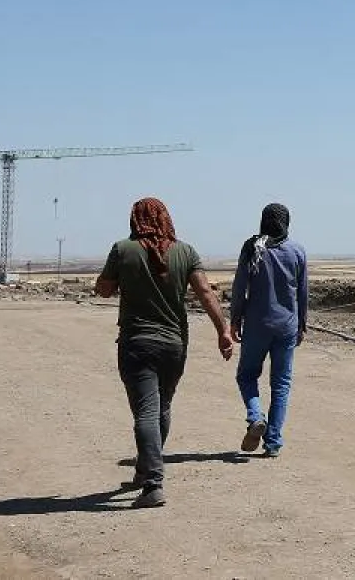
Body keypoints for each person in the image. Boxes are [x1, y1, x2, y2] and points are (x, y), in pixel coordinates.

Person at [95, 197, 234, 509]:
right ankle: (144, 469)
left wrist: (115, 281)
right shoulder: (186, 251)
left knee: (145, 410)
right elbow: (205, 293)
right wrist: (222, 331)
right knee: (162, 407)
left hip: (137, 343)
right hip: (174, 345)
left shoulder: (123, 250)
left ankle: (153, 483)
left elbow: (103, 289)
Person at [231, 203, 309, 459]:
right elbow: (303, 292)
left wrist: (234, 320)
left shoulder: (253, 247)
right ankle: (273, 441)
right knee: (281, 384)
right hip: (286, 326)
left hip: (256, 325)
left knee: (246, 376)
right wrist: (301, 324)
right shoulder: (297, 251)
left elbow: (240, 287)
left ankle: (255, 417)